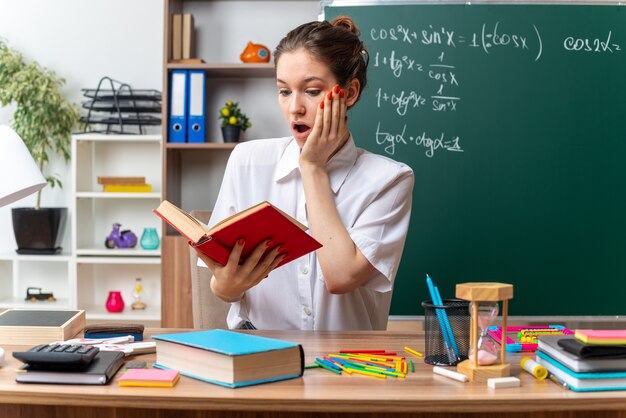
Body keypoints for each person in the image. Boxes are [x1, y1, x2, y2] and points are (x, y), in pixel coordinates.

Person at [197, 16, 414, 330]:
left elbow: (340, 277)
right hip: (259, 355)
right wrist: (227, 286)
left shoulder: (390, 180)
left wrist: (312, 167)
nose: (294, 108)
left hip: (348, 365)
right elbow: (221, 284)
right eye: (284, 92)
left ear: (349, 93)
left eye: (311, 91)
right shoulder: (248, 160)